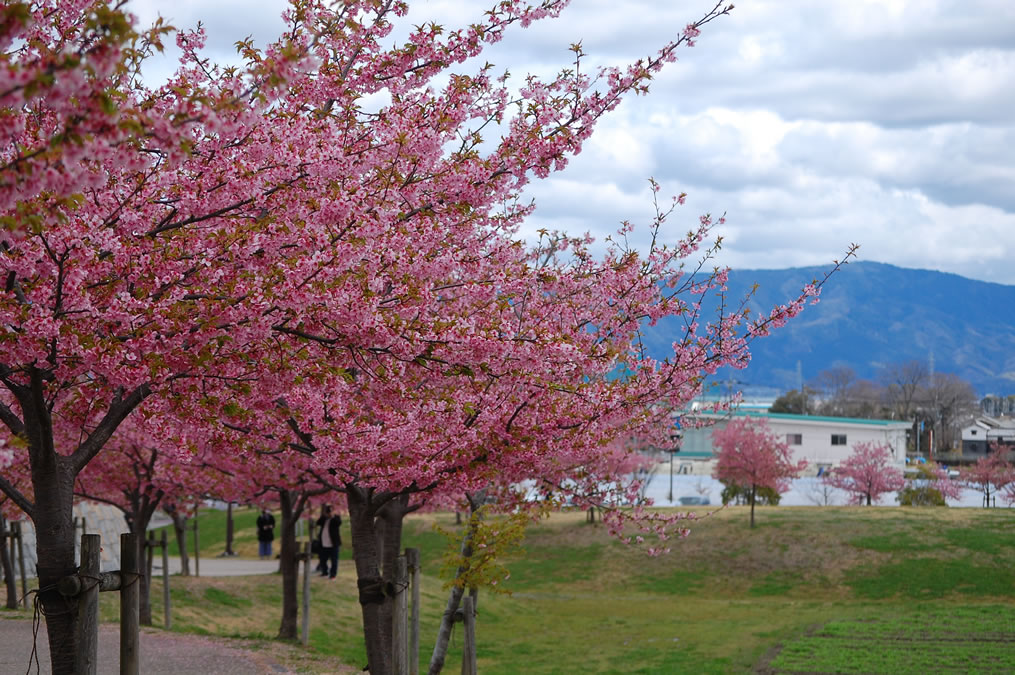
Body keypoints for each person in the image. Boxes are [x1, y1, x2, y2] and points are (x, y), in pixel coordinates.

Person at [315, 505, 342, 578]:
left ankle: (333, 575)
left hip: (333, 544)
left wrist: (332, 515)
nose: (329, 513)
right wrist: (324, 515)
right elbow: (318, 523)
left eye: (330, 511)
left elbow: (339, 523)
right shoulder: (324, 519)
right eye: (328, 511)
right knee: (322, 560)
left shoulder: (336, 518)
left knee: (334, 561)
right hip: (323, 544)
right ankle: (325, 572)